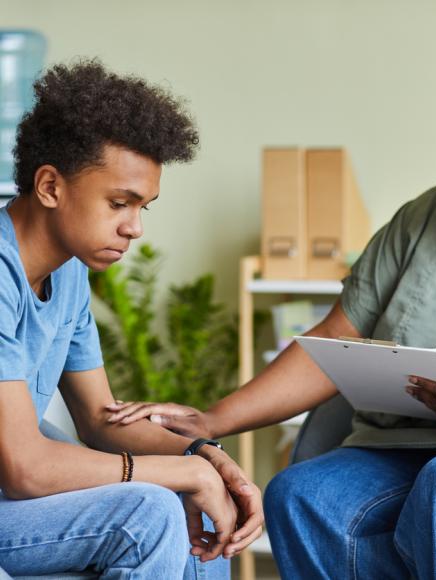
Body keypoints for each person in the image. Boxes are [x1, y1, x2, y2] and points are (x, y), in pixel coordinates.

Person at [108, 32, 436, 579]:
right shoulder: (426, 216)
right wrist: (214, 418)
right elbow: (333, 341)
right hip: (409, 448)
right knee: (302, 496)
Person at [0, 60, 263, 579]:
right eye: (119, 203)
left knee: (203, 524)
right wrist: (178, 473)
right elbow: (25, 468)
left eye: (144, 207)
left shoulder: (67, 271)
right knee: (152, 512)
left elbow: (99, 418)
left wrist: (207, 458)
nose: (135, 228)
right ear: (50, 186)